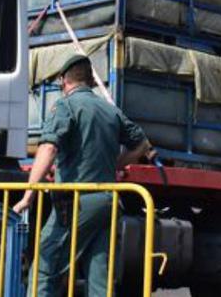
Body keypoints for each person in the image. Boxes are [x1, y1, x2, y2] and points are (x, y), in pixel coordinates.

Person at [13, 54, 152, 297]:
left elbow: (48, 148)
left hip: (76, 203)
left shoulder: (66, 106)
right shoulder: (110, 110)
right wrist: (116, 165)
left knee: (46, 268)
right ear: (89, 81)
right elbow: (142, 145)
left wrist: (28, 196)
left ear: (65, 81)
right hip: (108, 201)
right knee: (100, 278)